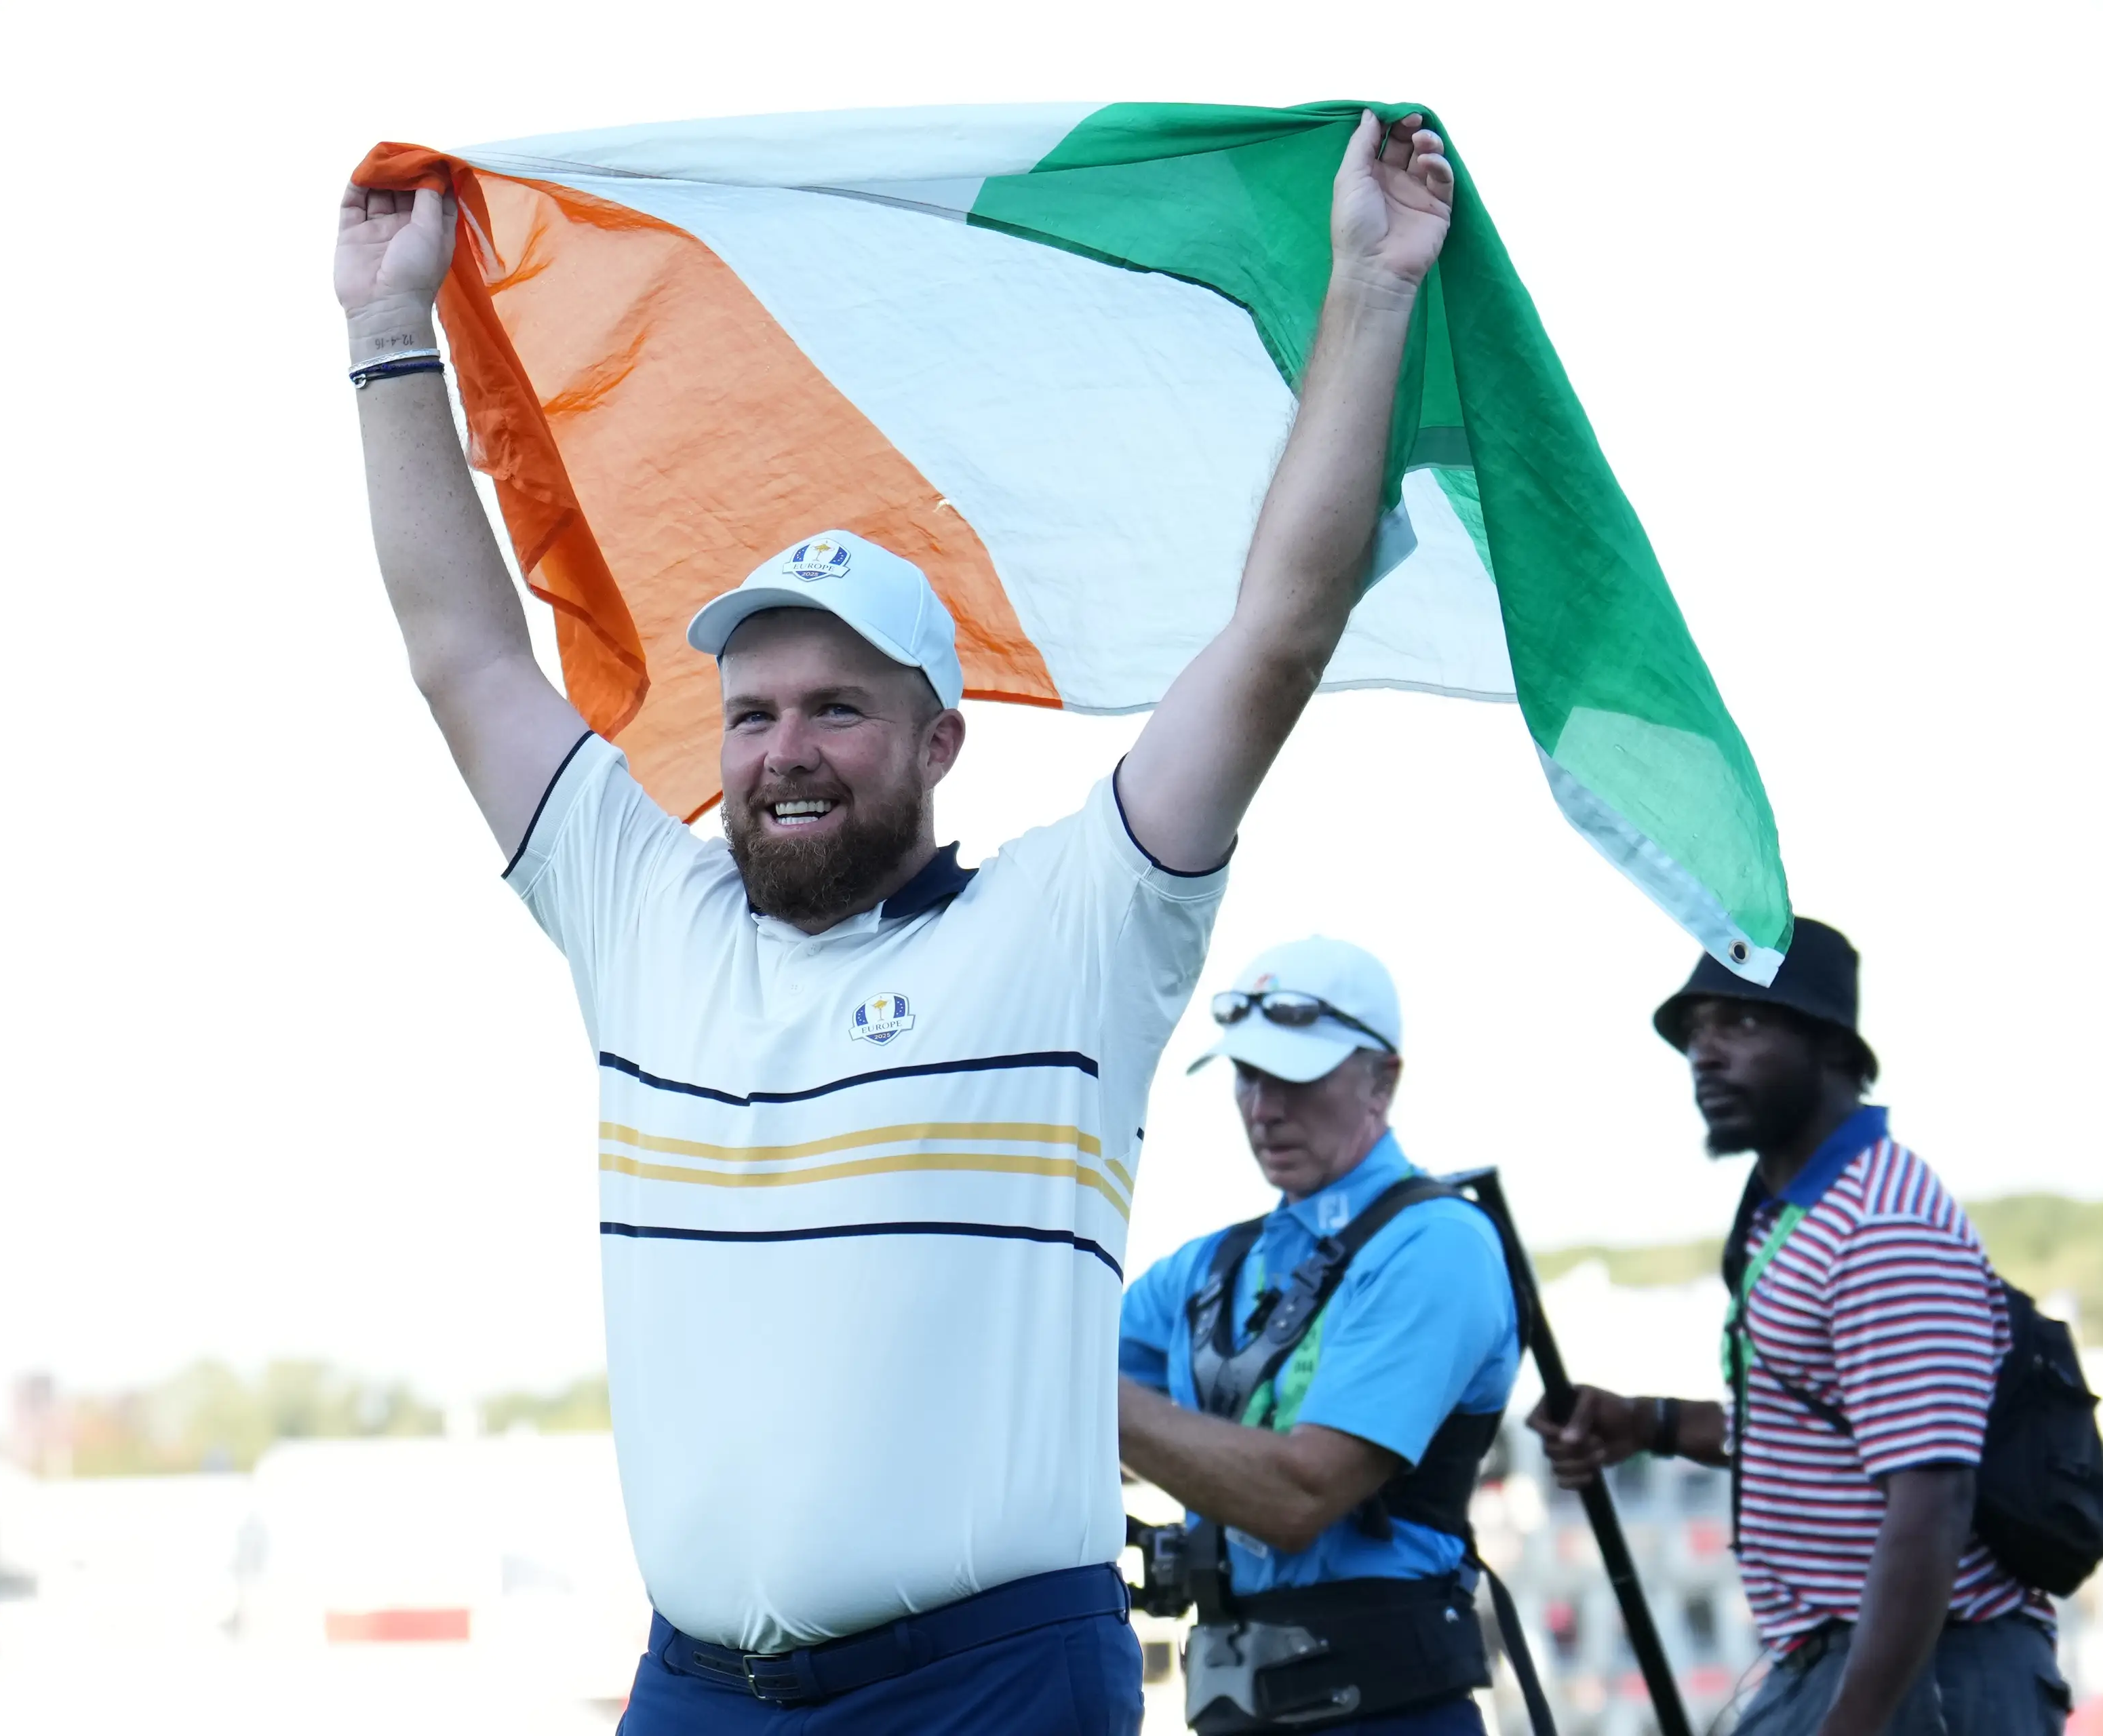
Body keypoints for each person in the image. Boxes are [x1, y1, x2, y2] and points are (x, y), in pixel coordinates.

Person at [334, 113, 1459, 1734]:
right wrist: (387, 332)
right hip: (695, 1685)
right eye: (754, 710)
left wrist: (1366, 285)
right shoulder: (642, 907)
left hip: (985, 1682)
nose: (782, 749)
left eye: (837, 710)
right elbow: (464, 652)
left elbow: (1276, 631)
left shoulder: (1076, 923)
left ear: (937, 741)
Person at [1527, 918, 2070, 1735]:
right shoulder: (1798, 1217)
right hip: (1851, 1668)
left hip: (1925, 1677)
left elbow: (1931, 1499)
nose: (1706, 1053)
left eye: (1742, 1023)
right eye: (1697, 1031)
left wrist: (1850, 1724)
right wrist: (1647, 1423)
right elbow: (1823, 1431)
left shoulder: (1884, 1226)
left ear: (1832, 1047)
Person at [1118, 939, 1520, 1735]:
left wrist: (1082, 1396)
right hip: (1238, 1705)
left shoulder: (1437, 1244)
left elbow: (1299, 1496)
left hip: (1389, 1710)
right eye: (1248, 1074)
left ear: (1384, 1078)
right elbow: (1025, 1384)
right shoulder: (1208, 1267)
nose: (1263, 1108)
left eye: (1294, 1077)